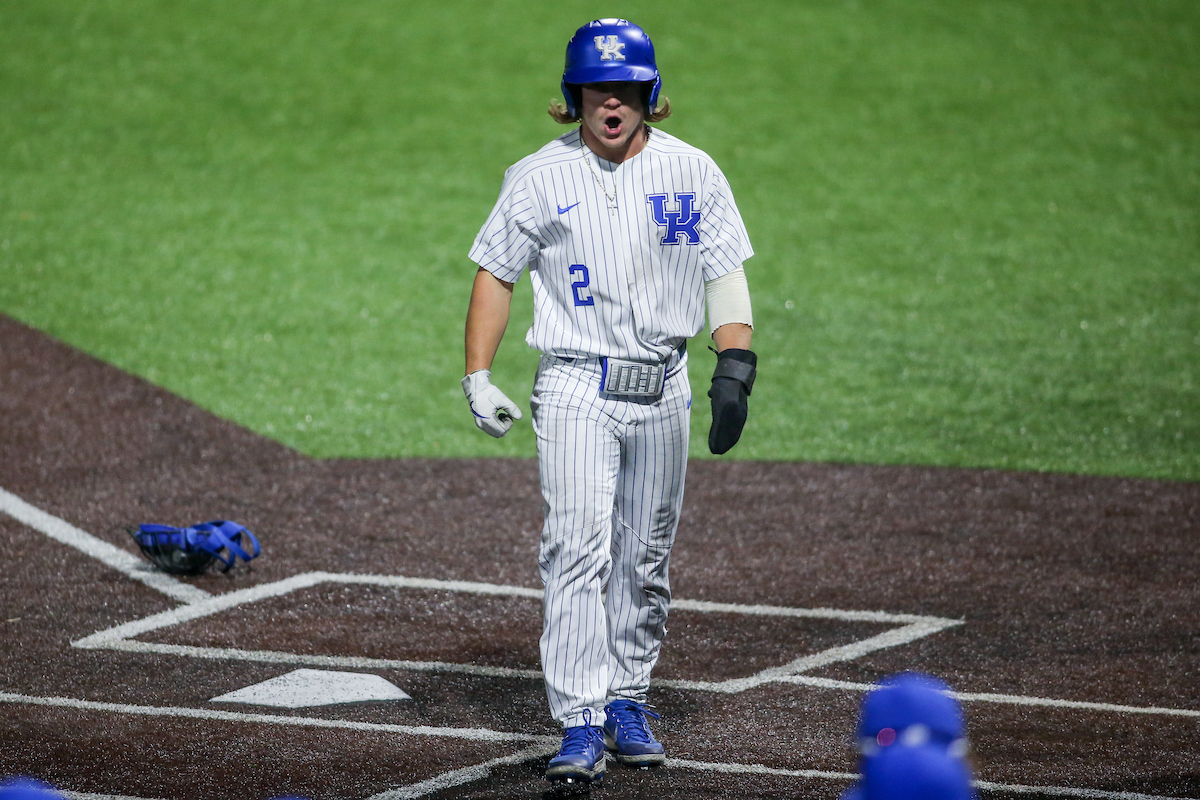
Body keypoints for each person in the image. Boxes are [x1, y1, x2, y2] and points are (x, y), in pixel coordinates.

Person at [462, 18, 758, 785]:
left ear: (649, 93)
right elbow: (496, 270)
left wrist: (736, 362)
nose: (613, 102)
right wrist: (478, 375)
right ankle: (580, 719)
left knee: (644, 555)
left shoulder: (695, 172)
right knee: (576, 545)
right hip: (574, 384)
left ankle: (628, 697)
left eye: (627, 88)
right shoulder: (537, 176)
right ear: (576, 96)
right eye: (599, 89)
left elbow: (723, 272)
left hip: (663, 384)